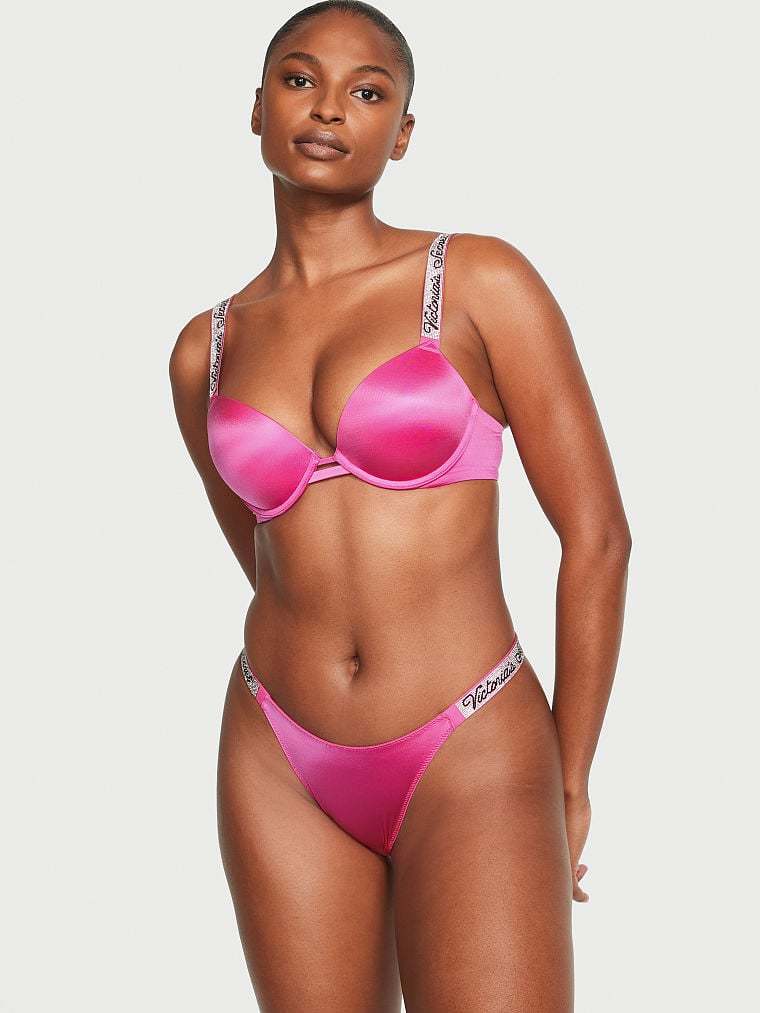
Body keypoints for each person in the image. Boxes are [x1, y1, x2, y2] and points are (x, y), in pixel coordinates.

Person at [169, 2, 631, 1009]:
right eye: (300, 79)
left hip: (471, 741)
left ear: (403, 132)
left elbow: (597, 535)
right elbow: (269, 558)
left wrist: (569, 778)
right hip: (277, 750)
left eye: (368, 91)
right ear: (256, 107)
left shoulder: (475, 279)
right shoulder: (206, 348)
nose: (329, 107)